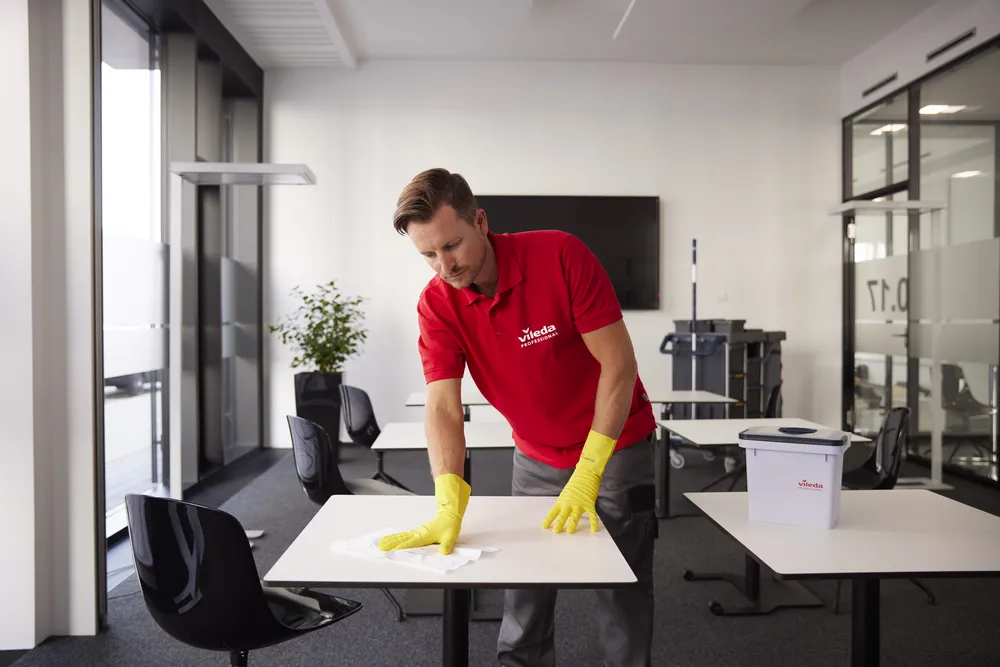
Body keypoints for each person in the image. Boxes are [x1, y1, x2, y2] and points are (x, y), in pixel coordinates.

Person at [379, 168, 657, 667]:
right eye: (428, 255)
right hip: (535, 454)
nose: (444, 266)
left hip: (616, 447)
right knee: (525, 585)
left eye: (452, 245)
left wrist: (590, 468)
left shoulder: (560, 255)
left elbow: (618, 365)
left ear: (480, 221)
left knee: (621, 584)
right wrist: (447, 499)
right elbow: (442, 404)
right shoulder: (437, 304)